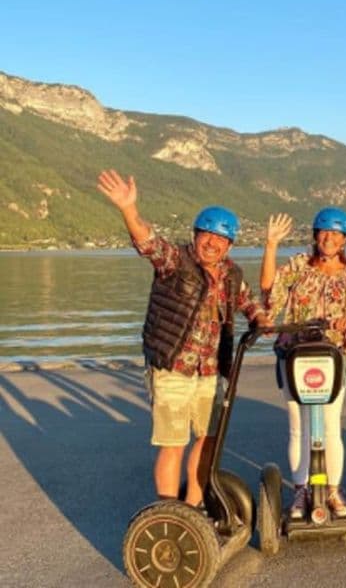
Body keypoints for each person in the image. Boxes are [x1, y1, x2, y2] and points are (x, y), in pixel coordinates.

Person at [96, 169, 268, 507]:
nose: (212, 243)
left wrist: (260, 318)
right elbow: (148, 242)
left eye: (220, 239)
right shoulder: (176, 261)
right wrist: (129, 209)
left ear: (229, 245)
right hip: (173, 367)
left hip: (210, 371)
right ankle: (168, 510)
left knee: (207, 439)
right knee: (173, 442)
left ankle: (193, 506)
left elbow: (246, 301)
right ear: (195, 234)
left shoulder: (232, 273)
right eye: (206, 235)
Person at [261, 207, 346, 520]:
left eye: (336, 233)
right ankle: (301, 491)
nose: (329, 238)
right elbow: (270, 296)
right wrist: (270, 246)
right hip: (294, 356)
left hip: (332, 359)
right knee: (299, 428)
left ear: (345, 239)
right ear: (315, 236)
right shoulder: (298, 265)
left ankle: (332, 490)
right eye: (323, 231)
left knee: (331, 427)